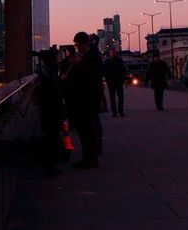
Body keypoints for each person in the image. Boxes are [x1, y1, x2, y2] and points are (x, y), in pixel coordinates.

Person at [64, 31, 103, 169]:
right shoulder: (86, 55)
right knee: (85, 130)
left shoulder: (92, 56)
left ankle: (91, 158)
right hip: (84, 99)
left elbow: (91, 75)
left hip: (87, 99)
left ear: (86, 43)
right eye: (75, 46)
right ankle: (88, 157)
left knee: (87, 130)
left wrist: (79, 64)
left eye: (78, 45)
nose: (77, 48)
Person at [33, 48, 64, 175]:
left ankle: (50, 165)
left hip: (47, 108)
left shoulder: (43, 71)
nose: (58, 60)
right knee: (52, 137)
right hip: (51, 109)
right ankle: (49, 166)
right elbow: (54, 91)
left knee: (50, 137)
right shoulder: (49, 72)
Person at [103, 47, 127, 117]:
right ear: (110, 53)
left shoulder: (119, 60)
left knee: (121, 96)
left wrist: (123, 78)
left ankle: (121, 111)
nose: (113, 54)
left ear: (116, 53)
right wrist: (107, 79)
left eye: (114, 52)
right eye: (112, 53)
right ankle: (114, 112)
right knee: (112, 97)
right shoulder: (107, 62)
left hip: (119, 81)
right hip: (111, 82)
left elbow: (123, 70)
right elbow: (104, 71)